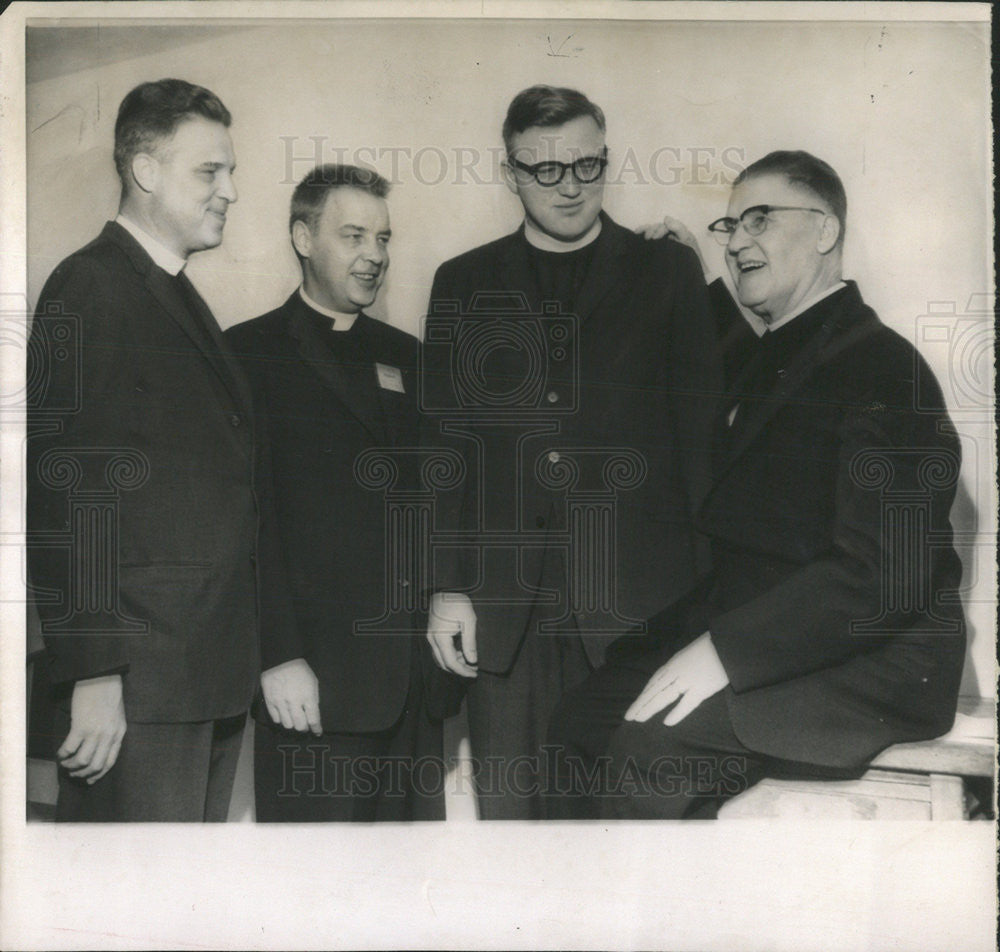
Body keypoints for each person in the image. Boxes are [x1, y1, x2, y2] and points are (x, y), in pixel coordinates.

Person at [546, 150, 967, 819]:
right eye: (731, 224)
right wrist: (692, 279)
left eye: (760, 220)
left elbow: (883, 573)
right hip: (779, 630)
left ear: (825, 232)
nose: (738, 240)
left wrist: (726, 653)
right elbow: (763, 386)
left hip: (875, 659)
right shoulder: (795, 347)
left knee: (647, 752)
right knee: (575, 723)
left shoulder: (887, 371)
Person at [421, 85, 722, 818]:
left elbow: (703, 446)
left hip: (639, 611)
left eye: (586, 165)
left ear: (606, 161)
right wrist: (446, 586)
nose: (569, 186)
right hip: (506, 617)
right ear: (511, 173)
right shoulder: (462, 283)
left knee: (626, 837)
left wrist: (711, 605)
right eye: (544, 169)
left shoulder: (669, 272)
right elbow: (443, 452)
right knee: (517, 835)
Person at [27, 79, 261, 821]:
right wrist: (94, 676)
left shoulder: (176, 293)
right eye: (209, 171)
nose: (230, 191)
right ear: (146, 171)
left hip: (200, 674)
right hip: (138, 686)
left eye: (230, 172)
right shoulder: (89, 287)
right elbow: (68, 493)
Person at [226, 164, 463, 821]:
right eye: (354, 236)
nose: (375, 257)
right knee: (320, 899)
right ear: (303, 238)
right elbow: (249, 523)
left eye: (383, 239)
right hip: (313, 686)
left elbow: (438, 496)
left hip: (412, 686)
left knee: (411, 897)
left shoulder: (406, 354)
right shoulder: (245, 355)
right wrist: (278, 656)